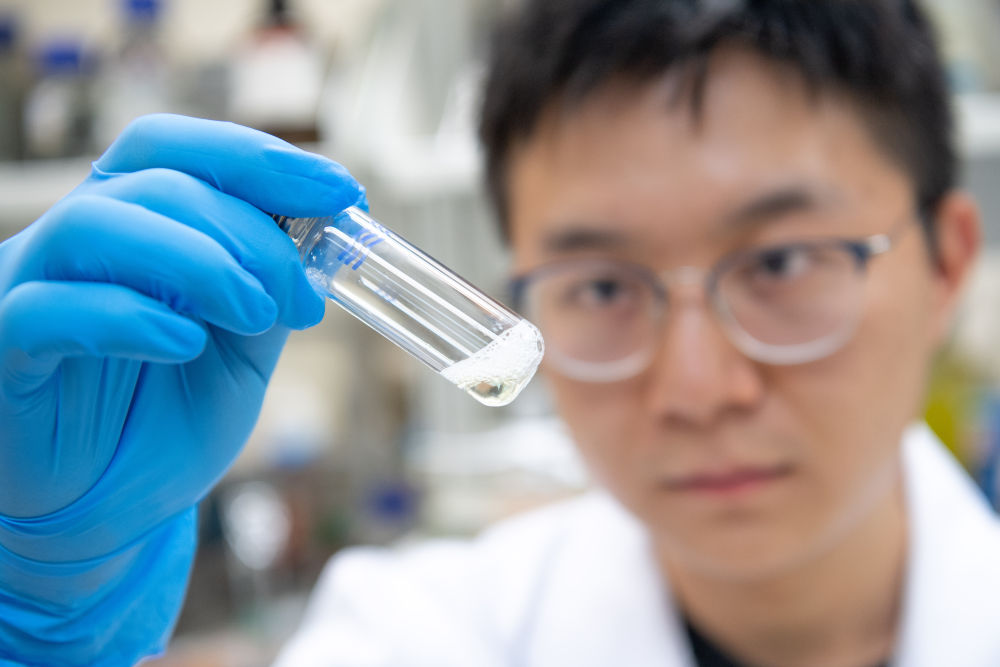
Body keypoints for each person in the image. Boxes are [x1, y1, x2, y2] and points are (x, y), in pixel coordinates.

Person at [0, 0, 998, 665]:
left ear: (948, 262)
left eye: (779, 264)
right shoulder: (418, 638)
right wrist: (37, 617)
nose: (696, 387)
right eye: (601, 285)